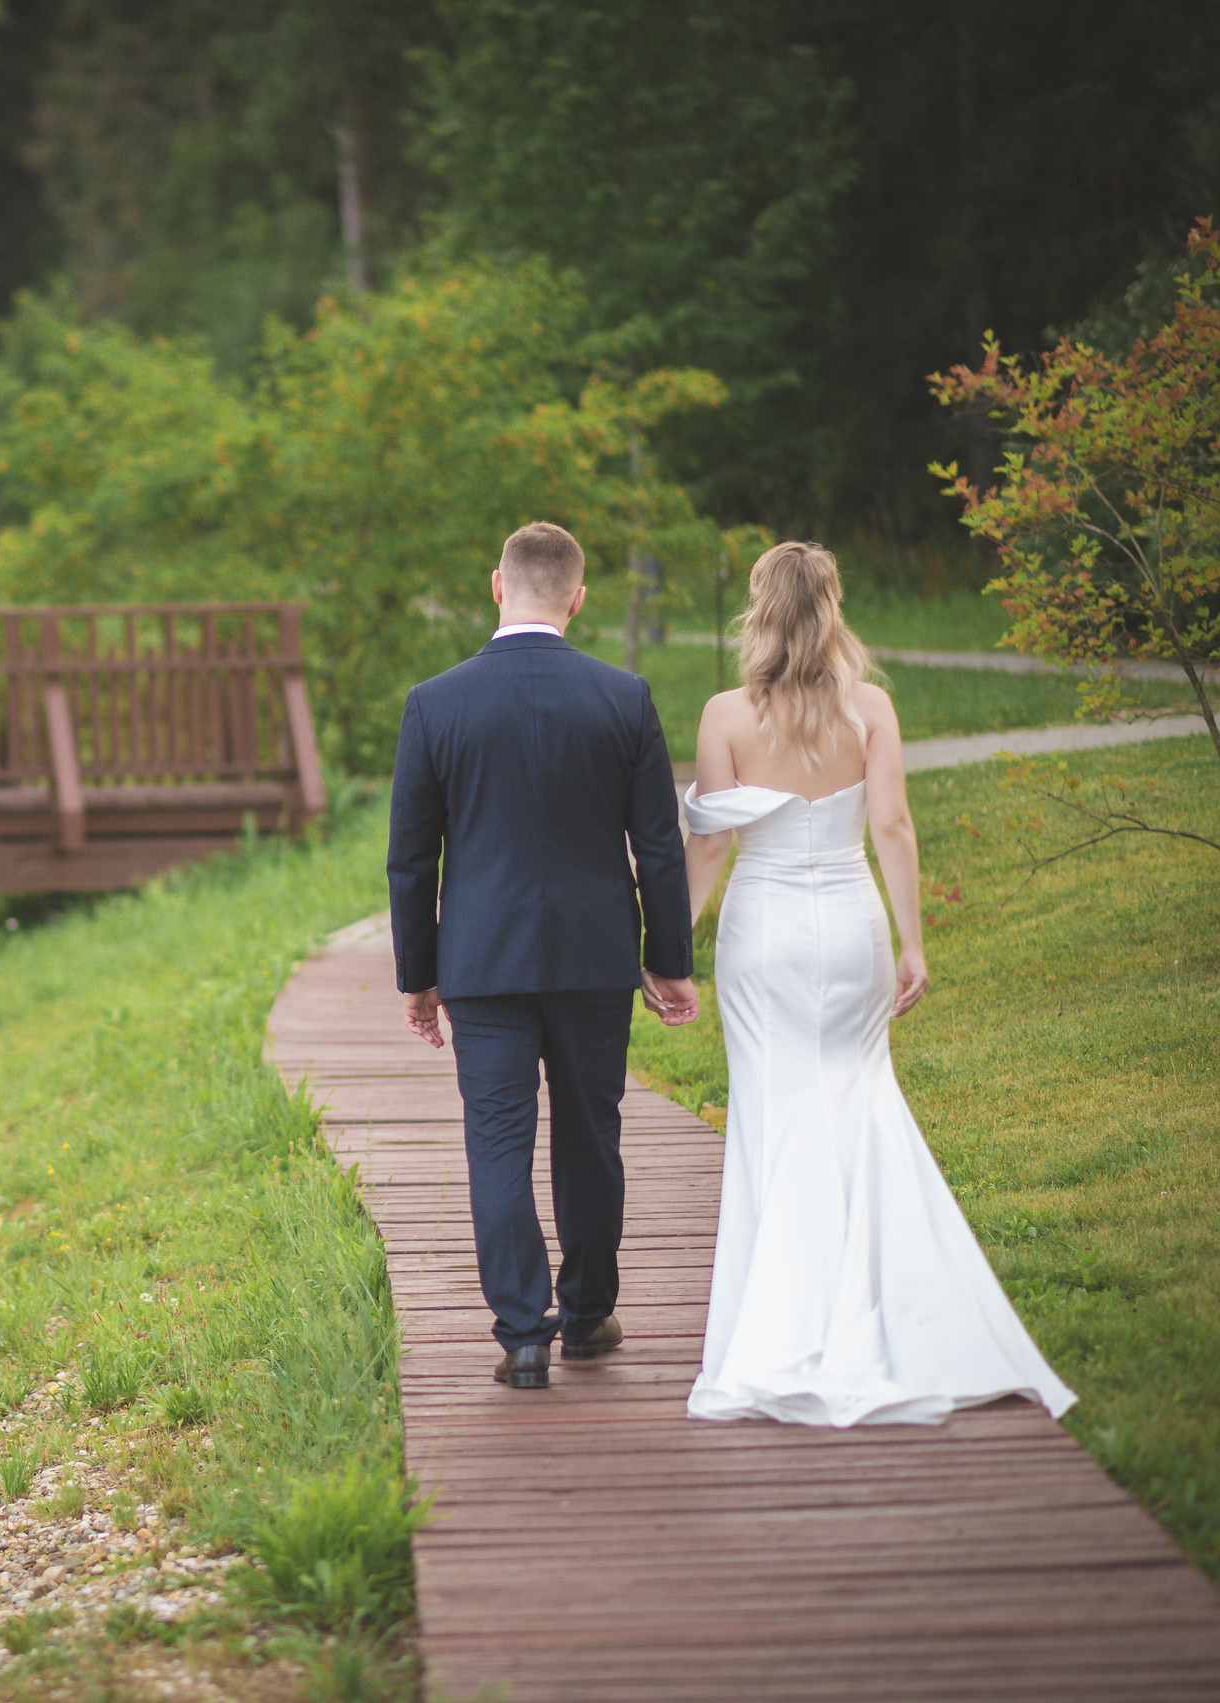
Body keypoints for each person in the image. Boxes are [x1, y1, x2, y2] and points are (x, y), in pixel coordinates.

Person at [680, 541, 1075, 1425]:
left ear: (760, 611)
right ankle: (886, 1311)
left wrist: (669, 947)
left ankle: (781, 1319)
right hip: (849, 922)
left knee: (773, 1106)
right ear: (833, 607)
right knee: (859, 1096)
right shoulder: (871, 710)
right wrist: (911, 940)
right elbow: (892, 825)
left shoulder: (726, 716)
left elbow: (708, 842)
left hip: (764, 933)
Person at [388, 522, 698, 1391]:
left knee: (497, 1141)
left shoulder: (435, 702)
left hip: (483, 961)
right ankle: (589, 1314)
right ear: (578, 598)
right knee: (591, 1135)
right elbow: (658, 845)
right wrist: (668, 957)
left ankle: (523, 1334)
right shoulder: (623, 697)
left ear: (497, 585)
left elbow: (411, 858)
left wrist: (418, 976)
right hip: (595, 956)